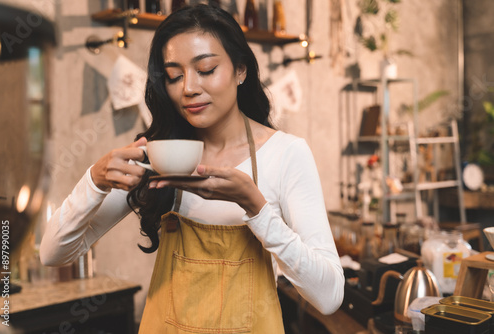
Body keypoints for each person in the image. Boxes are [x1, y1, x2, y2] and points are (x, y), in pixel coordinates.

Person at [40, 4, 344, 333]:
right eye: (173, 75)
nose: (188, 88)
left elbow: (329, 298)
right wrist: (94, 182)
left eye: (207, 69)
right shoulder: (157, 156)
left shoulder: (286, 154)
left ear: (240, 70)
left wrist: (257, 208)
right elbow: (54, 253)